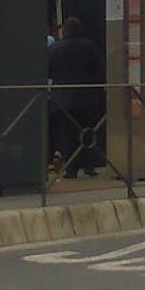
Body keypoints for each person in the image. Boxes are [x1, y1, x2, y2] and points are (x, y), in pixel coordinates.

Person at [47, 16, 105, 177]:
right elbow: (99, 68)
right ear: (80, 29)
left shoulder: (55, 48)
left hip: (63, 99)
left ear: (64, 30)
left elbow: (48, 70)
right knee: (88, 132)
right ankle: (89, 166)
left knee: (67, 134)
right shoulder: (89, 46)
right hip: (87, 96)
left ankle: (71, 169)